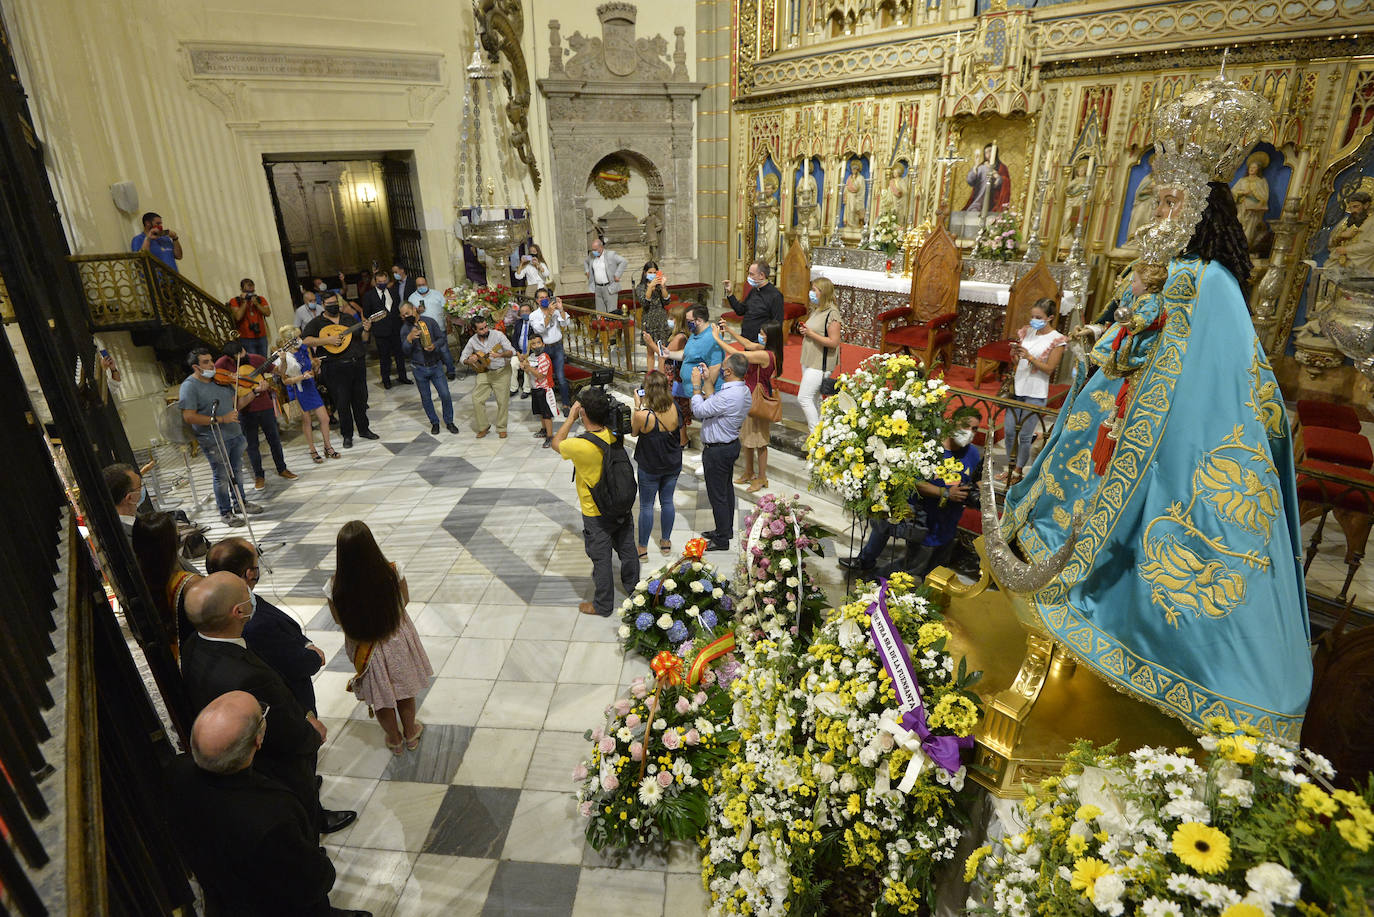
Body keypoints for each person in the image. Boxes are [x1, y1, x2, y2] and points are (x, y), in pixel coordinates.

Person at [996, 81, 1312, 739]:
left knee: (1162, 527)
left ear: (1201, 214)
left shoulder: (1210, 284)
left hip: (1177, 432)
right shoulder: (1167, 279)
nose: (1153, 214)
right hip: (1123, 417)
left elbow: (1215, 373)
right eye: (1154, 199)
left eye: (1169, 202)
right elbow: (1129, 342)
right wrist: (1104, 345)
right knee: (1072, 489)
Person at [166, 691, 371, 917]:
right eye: (262, 714)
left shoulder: (175, 773)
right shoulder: (270, 815)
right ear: (258, 739)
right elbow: (310, 882)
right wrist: (324, 870)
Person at [180, 572, 355, 835]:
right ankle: (313, 823)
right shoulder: (246, 675)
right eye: (246, 595)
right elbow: (285, 731)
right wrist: (310, 734)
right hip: (274, 755)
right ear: (239, 612)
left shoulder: (195, 643)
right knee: (298, 790)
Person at [326, 521, 433, 755]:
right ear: (372, 546)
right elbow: (404, 601)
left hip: (365, 648)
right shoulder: (393, 571)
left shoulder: (334, 586)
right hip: (396, 640)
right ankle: (411, 733)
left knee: (382, 697)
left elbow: (338, 620)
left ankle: (394, 740)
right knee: (404, 691)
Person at [841, 407, 982, 577]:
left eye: (974, 429)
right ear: (951, 423)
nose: (970, 433)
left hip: (948, 522)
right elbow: (912, 481)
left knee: (933, 569)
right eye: (966, 426)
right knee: (910, 562)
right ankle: (873, 576)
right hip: (921, 518)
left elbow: (977, 478)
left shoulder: (973, 453)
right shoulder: (928, 448)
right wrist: (944, 492)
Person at [207, 538, 325, 717]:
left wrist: (305, 642)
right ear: (249, 573)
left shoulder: (225, 602)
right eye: (256, 563)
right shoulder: (255, 625)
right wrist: (314, 656)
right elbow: (295, 664)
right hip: (292, 707)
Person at [553, 388, 640, 616]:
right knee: (627, 549)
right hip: (621, 504)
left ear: (583, 413)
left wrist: (571, 417)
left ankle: (602, 605)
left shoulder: (580, 445)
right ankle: (635, 590)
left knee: (601, 559)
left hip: (596, 511)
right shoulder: (615, 434)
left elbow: (556, 441)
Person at [179, 347, 264, 526]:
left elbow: (237, 404)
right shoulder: (189, 386)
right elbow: (188, 416)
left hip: (235, 433)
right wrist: (221, 419)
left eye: (211, 360)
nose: (211, 364)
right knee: (222, 476)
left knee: (237, 472)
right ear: (196, 367)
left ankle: (241, 503)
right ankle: (225, 512)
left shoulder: (220, 381)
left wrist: (254, 392)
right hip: (213, 439)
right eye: (206, 362)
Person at [997, 299, 1067, 486]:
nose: (1034, 320)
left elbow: (1049, 369)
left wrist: (1029, 356)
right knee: (1010, 432)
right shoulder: (1027, 331)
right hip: (1017, 387)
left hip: (1035, 392)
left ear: (1050, 317)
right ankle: (1010, 467)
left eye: (1039, 317)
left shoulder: (1057, 339)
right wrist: (1016, 354)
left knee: (1025, 435)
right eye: (1033, 316)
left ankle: (1018, 472)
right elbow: (1017, 363)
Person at [691, 353, 752, 552]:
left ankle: (722, 539)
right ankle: (724, 530)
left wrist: (696, 387)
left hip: (717, 451)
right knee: (725, 491)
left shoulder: (728, 395)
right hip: (729, 445)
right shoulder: (743, 391)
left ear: (728, 371)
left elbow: (700, 410)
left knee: (718, 495)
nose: (722, 369)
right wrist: (709, 380)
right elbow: (714, 403)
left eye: (723, 367)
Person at [713, 319, 783, 493]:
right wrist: (729, 330)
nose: (759, 336)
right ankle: (749, 471)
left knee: (759, 440)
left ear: (770, 337)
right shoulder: (764, 349)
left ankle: (762, 478)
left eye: (763, 333)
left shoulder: (766, 355)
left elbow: (738, 356)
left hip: (757, 399)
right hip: (748, 396)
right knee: (747, 437)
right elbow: (747, 344)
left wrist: (717, 339)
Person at [302, 293, 379, 449]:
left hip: (356, 364)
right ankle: (347, 435)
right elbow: (305, 340)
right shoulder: (317, 323)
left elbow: (362, 338)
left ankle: (364, 429)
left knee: (360, 400)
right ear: (323, 304)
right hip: (334, 368)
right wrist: (327, 340)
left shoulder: (348, 319)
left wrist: (367, 330)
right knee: (342, 402)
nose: (333, 305)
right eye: (329, 303)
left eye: (335, 302)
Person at [217, 339, 296, 491]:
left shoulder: (256, 359)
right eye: (236, 356)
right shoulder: (223, 362)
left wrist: (284, 359)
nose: (241, 356)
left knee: (274, 440)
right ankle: (259, 476)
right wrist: (230, 379)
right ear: (230, 357)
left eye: (242, 352)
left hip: (264, 406)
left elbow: (280, 372)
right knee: (252, 445)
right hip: (244, 408)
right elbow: (216, 377)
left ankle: (282, 468)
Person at [133, 511, 200, 661]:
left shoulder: (135, 576)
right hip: (192, 653)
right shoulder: (189, 583)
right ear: (172, 542)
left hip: (167, 656)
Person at [631, 370, 682, 559]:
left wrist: (637, 407)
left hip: (650, 466)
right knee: (667, 501)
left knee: (646, 505)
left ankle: (642, 548)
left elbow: (634, 433)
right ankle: (666, 542)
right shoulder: (675, 406)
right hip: (672, 464)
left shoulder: (643, 415)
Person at [275, 326, 337, 464]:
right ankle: (312, 449)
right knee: (306, 421)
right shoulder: (285, 357)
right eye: (296, 337)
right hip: (296, 390)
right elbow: (285, 381)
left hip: (310, 387)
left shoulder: (304, 348)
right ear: (288, 340)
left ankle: (328, 446)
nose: (300, 339)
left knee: (325, 418)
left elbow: (311, 367)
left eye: (299, 337)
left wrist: (315, 365)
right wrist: (302, 377)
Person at [401, 302, 459, 435]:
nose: (405, 316)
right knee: (426, 397)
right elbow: (405, 351)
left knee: (445, 394)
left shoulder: (430, 321)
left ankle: (449, 421)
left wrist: (434, 346)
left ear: (414, 310)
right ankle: (434, 422)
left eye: (407, 313)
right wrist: (409, 339)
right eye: (403, 315)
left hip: (435, 365)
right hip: (419, 368)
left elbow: (441, 339)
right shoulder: (405, 329)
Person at [796, 276, 843, 432]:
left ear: (822, 292)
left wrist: (810, 333)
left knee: (804, 398)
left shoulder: (832, 314)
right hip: (810, 359)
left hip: (820, 363)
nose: (811, 292)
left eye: (814, 290)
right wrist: (805, 331)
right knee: (814, 399)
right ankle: (823, 432)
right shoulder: (818, 309)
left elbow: (834, 342)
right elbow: (814, 330)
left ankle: (815, 435)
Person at [643, 304, 692, 448]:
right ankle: (680, 438)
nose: (668, 320)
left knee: (678, 409)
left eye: (671, 318)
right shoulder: (678, 335)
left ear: (678, 320)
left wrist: (651, 343)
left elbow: (663, 354)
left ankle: (683, 440)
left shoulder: (680, 337)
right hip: (674, 375)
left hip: (674, 377)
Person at [460, 315, 515, 438]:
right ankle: (483, 427)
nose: (485, 330)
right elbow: (462, 357)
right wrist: (470, 360)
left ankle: (501, 427)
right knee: (476, 399)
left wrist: (500, 355)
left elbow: (512, 351)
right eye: (481, 329)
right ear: (475, 330)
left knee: (502, 401)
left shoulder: (498, 335)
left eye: (486, 327)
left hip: (501, 371)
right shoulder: (472, 340)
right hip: (484, 371)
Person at [660, 303, 724, 401]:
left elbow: (715, 367)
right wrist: (669, 354)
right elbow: (687, 354)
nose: (686, 323)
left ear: (699, 320)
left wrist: (703, 393)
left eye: (689, 321)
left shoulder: (713, 338)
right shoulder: (695, 333)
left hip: (704, 395)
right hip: (692, 392)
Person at [361, 270, 409, 389]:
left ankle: (403, 376)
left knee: (399, 354)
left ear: (387, 280)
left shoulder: (393, 292)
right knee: (384, 356)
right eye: (379, 282)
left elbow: (398, 308)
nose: (382, 283)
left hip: (395, 328)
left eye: (384, 281)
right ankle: (386, 380)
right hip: (381, 331)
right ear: (375, 282)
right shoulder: (369, 295)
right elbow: (367, 313)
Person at [528, 288, 571, 408]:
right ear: (537, 300)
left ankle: (566, 405)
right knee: (545, 377)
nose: (544, 299)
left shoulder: (555, 310)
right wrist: (550, 314)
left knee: (561, 376)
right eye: (541, 298)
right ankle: (548, 405)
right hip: (543, 349)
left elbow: (565, 324)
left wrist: (561, 309)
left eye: (546, 297)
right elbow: (539, 330)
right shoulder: (534, 315)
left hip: (557, 347)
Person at [407, 275, 456, 380]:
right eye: (419, 285)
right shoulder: (412, 298)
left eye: (423, 284)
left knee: (444, 350)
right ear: (416, 286)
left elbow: (445, 310)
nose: (421, 287)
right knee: (427, 351)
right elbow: (410, 314)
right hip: (422, 330)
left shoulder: (437, 294)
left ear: (427, 284)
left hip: (439, 327)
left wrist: (449, 323)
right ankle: (431, 372)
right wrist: (418, 311)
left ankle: (451, 371)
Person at [723, 260, 784, 343]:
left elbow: (777, 324)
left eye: (752, 274)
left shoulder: (775, 295)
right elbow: (740, 311)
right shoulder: (754, 291)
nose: (748, 277)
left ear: (762, 275)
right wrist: (730, 294)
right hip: (747, 339)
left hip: (760, 343)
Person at [518, 330, 559, 447]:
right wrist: (524, 367)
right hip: (535, 389)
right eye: (533, 344)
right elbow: (528, 373)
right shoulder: (531, 357)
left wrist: (528, 367)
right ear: (530, 346)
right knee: (540, 412)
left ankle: (550, 436)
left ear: (543, 344)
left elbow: (541, 375)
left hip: (544, 390)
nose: (536, 346)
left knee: (546, 414)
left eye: (538, 343)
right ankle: (544, 429)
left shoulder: (544, 358)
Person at [1231, 152, 1271, 250]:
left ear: (1258, 169)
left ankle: (1245, 248)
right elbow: (1233, 191)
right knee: (1238, 226)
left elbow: (1264, 196)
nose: (1251, 169)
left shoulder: (1261, 181)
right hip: (1241, 208)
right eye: (1250, 167)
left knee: (1249, 230)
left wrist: (1254, 193)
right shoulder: (1242, 180)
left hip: (1253, 211)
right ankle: (1235, 247)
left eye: (1254, 168)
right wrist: (1243, 192)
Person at [635, 261, 672, 367]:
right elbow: (644, 303)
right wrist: (650, 288)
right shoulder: (640, 287)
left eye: (655, 272)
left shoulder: (659, 285)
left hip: (661, 319)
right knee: (650, 352)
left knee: (662, 351)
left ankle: (661, 376)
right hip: (649, 319)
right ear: (645, 273)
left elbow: (666, 301)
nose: (653, 274)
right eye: (650, 272)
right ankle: (650, 377)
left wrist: (663, 286)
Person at [228, 279, 273, 358]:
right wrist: (244, 302)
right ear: (242, 290)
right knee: (253, 362)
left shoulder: (260, 299)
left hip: (261, 336)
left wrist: (257, 304)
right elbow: (238, 317)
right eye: (247, 292)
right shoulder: (235, 301)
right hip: (246, 339)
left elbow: (268, 313)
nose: (250, 294)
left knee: (264, 361)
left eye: (252, 292)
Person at [963, 143, 1011, 213]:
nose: (988, 154)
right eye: (986, 152)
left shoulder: (1002, 167)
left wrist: (997, 176)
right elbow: (970, 181)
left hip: (994, 198)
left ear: (995, 152)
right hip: (980, 196)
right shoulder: (981, 167)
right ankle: (976, 206)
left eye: (990, 151)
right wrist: (975, 167)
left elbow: (1006, 182)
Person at [583, 237, 627, 313]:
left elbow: (624, 261)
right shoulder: (591, 256)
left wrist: (617, 275)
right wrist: (587, 271)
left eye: (595, 249)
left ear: (601, 247)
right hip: (597, 288)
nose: (594, 252)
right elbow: (585, 262)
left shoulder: (611, 255)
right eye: (592, 250)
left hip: (609, 287)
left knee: (611, 313)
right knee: (600, 313)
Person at [104, 461, 143, 535]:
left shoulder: (136, 516)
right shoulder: (131, 536)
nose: (142, 490)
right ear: (130, 498)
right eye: (140, 486)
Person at [507, 300, 533, 398]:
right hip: (519, 353)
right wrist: (518, 354)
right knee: (513, 364)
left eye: (527, 311)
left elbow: (536, 340)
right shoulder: (518, 323)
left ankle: (527, 389)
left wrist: (526, 356)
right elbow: (514, 341)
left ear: (531, 312)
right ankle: (513, 388)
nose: (525, 313)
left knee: (527, 365)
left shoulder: (534, 324)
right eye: (522, 311)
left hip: (531, 353)